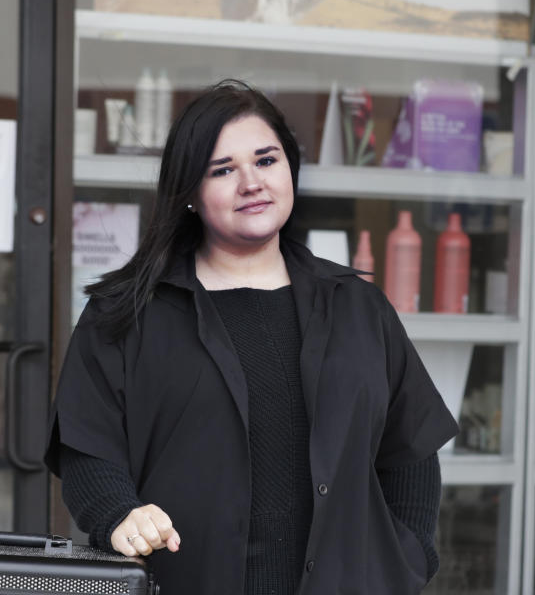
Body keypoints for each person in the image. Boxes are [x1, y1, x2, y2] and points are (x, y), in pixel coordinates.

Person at [45, 80, 459, 595]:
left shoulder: (357, 307)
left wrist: (409, 556)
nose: (251, 182)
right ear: (190, 193)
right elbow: (87, 446)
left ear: (290, 170)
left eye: (266, 161)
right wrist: (119, 515)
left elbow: (411, 450)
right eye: (223, 170)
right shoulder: (126, 312)